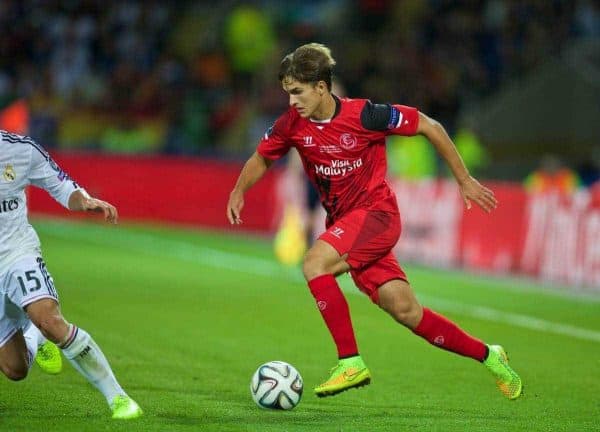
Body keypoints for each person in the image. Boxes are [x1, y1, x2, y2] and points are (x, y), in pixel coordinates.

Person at [226, 43, 522, 400]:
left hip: (377, 216)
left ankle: (350, 361)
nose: (291, 102)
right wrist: (239, 190)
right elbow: (261, 157)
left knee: (314, 263)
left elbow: (430, 125)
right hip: (349, 225)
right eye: (287, 93)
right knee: (407, 311)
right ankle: (491, 356)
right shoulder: (291, 125)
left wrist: (463, 179)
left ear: (322, 87)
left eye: (297, 92)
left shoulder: (366, 115)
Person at [0, 130, 143, 419]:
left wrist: (86, 201)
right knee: (15, 369)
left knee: (50, 320)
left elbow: (64, 186)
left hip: (16, 253)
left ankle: (119, 399)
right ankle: (33, 337)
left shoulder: (21, 150)